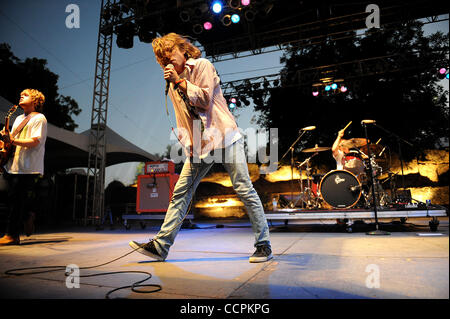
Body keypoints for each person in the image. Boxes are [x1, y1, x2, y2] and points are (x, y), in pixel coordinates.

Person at [129, 33, 272, 263]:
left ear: (182, 49)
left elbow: (205, 100)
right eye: (162, 59)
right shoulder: (172, 82)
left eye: (170, 54)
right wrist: (189, 146)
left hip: (224, 137)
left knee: (244, 188)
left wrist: (180, 81)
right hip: (200, 145)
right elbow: (183, 120)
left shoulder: (202, 66)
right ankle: (160, 246)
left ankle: (263, 245)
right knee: (181, 192)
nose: (168, 60)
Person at [0, 89, 47, 245]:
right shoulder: (19, 117)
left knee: (16, 200)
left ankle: (11, 235)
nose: (21, 95)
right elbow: (12, 140)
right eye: (21, 94)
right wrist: (6, 140)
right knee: (9, 196)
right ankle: (27, 215)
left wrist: (11, 140)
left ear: (35, 101)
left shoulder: (39, 118)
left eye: (25, 94)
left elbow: (35, 141)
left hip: (28, 167)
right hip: (13, 164)